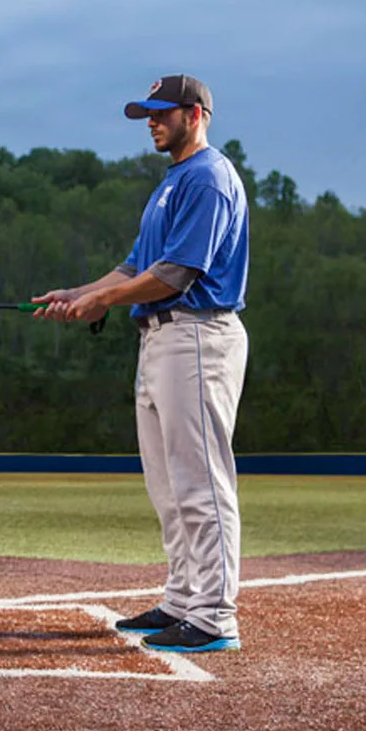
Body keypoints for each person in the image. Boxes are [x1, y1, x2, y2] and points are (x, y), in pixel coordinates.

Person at [32, 74, 249, 653]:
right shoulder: (173, 182)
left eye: (161, 112)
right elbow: (134, 269)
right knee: (168, 485)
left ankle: (214, 616)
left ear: (195, 115)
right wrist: (77, 294)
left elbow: (176, 275)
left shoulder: (208, 177)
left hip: (196, 334)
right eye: (147, 114)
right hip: (160, 339)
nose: (151, 122)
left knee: (200, 481)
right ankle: (183, 599)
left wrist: (101, 301)